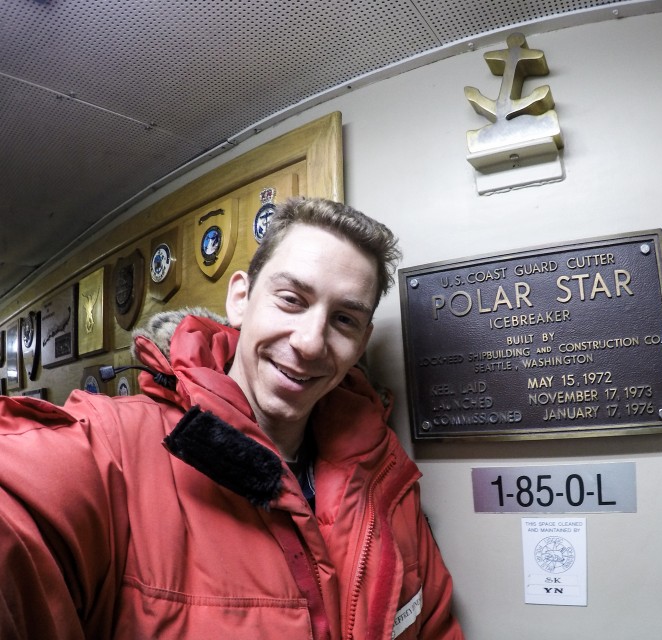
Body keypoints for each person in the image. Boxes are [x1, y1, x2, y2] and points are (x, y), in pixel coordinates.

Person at [0, 197, 464, 639]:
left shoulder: (387, 482)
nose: (309, 342)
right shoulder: (115, 446)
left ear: (360, 345)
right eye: (291, 299)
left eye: (344, 320)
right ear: (240, 299)